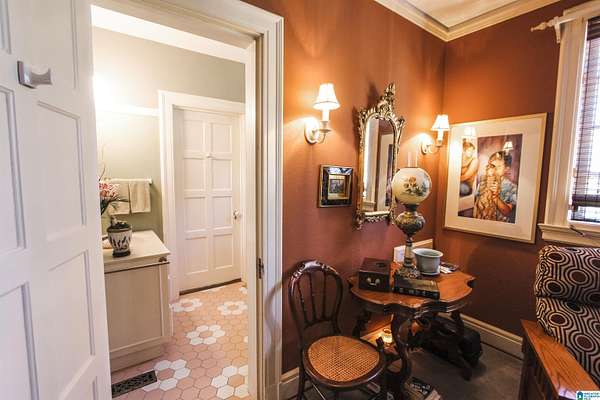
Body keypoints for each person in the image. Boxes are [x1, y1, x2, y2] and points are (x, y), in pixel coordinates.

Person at [474, 151, 518, 223]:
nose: (494, 169)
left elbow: (507, 212)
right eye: (492, 166)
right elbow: (476, 205)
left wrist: (495, 197)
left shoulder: (512, 188)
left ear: (506, 169)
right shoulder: (482, 184)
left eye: (498, 166)